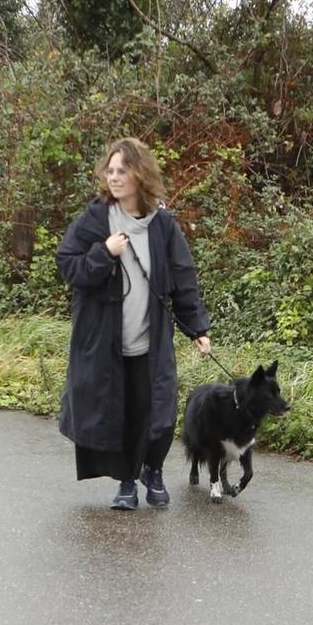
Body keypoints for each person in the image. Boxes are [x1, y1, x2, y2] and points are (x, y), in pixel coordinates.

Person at [56, 137, 212, 510]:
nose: (114, 177)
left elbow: (183, 276)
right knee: (119, 413)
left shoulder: (162, 225)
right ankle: (126, 482)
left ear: (140, 174)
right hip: (106, 341)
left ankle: (152, 471)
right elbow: (68, 265)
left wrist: (198, 329)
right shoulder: (95, 219)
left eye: (121, 170)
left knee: (157, 413)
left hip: (150, 340)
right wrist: (103, 253)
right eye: (109, 171)